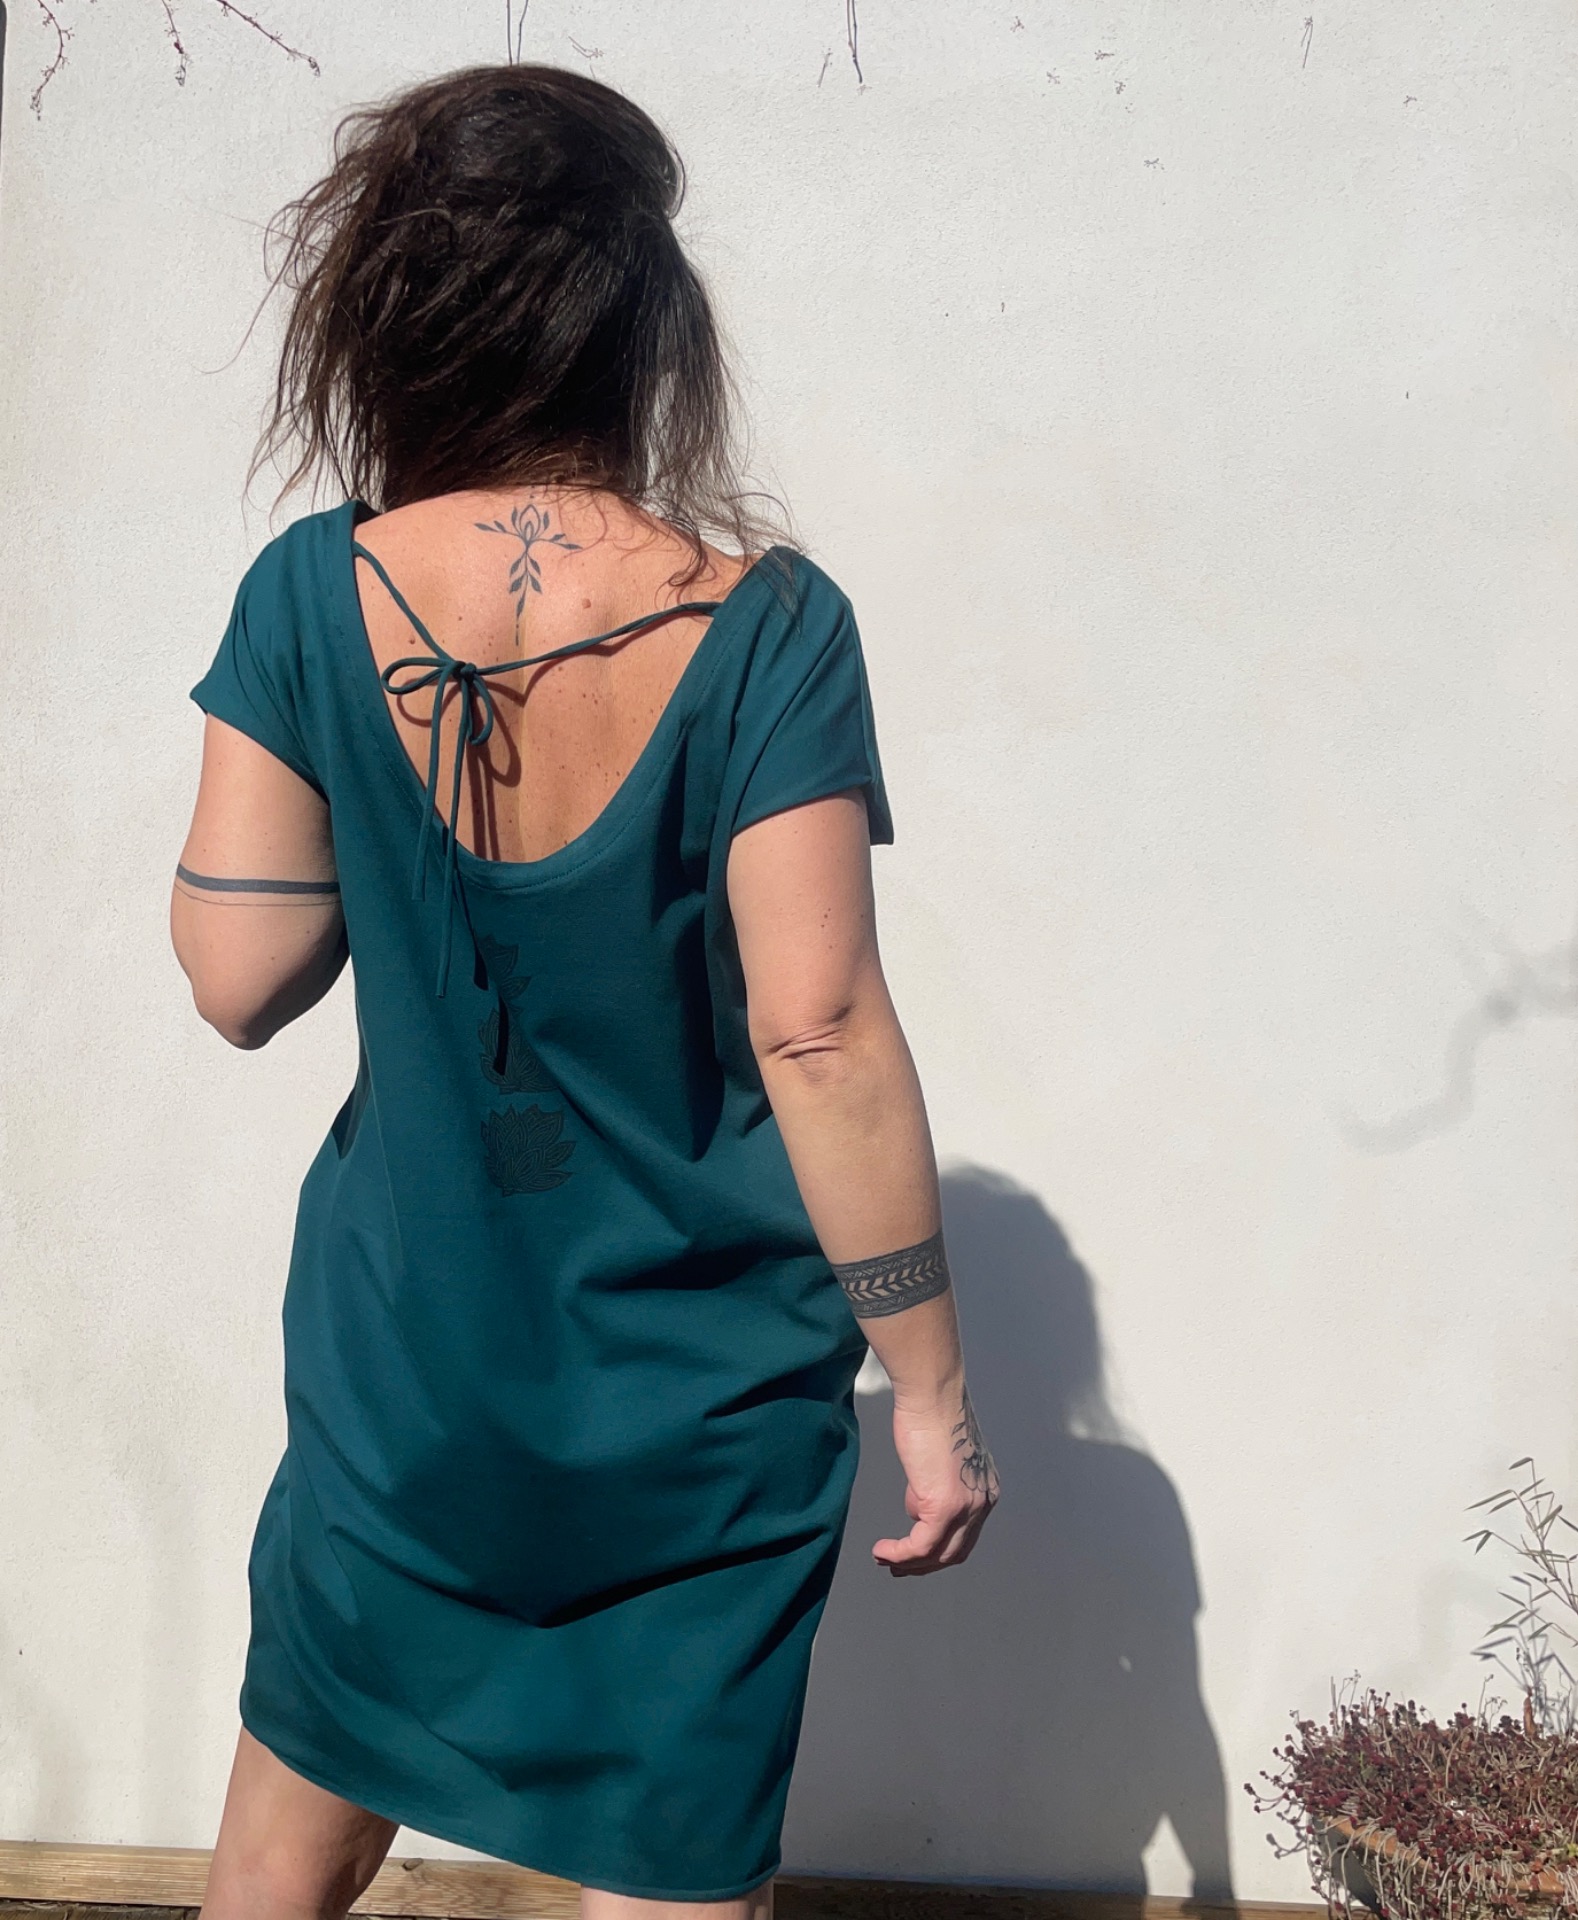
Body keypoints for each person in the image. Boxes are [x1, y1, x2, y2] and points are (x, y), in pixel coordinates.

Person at [170, 63, 998, 1920]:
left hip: (409, 1385)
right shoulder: (771, 627)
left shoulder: (308, 596)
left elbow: (237, 975)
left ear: (393, 313)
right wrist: (929, 1388)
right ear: (641, 325)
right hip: (692, 1419)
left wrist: (373, 791)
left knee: (279, 1869)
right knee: (670, 1862)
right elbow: (817, 1031)